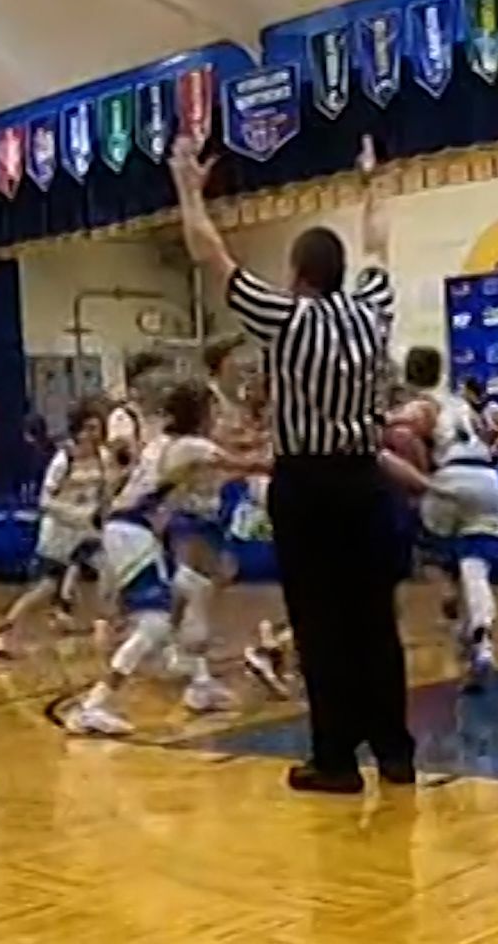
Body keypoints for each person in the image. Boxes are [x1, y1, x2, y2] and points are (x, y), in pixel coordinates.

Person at [170, 132, 413, 793]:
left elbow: (208, 252)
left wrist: (189, 187)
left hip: (306, 483)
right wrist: (370, 183)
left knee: (318, 622)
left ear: (298, 275)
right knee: (374, 620)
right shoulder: (373, 310)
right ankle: (395, 752)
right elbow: (381, 244)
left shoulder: (284, 318)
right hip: (366, 482)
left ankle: (335, 758)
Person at [66, 382, 259, 735]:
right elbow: (249, 464)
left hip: (132, 529)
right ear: (200, 414)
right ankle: (94, 705)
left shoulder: (163, 442)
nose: (218, 416)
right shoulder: (190, 446)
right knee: (156, 623)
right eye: (213, 410)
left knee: (183, 593)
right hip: (133, 530)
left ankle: (196, 676)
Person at [393, 345, 498, 691]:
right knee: (477, 564)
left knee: (429, 551)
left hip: (448, 479)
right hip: (487, 480)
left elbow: (399, 429)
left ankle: (448, 594)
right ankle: (481, 637)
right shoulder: (466, 404)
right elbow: (496, 432)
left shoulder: (422, 404)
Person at [0, 399, 110, 659]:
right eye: (88, 428)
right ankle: (4, 629)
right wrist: (72, 512)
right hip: (59, 530)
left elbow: (104, 494)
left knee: (108, 571)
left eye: (97, 428)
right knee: (44, 588)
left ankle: (102, 623)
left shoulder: (103, 457)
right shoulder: (63, 460)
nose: (94, 434)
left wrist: (102, 516)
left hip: (86, 531)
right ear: (77, 430)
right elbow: (45, 501)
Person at [460, 376, 498, 465]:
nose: (461, 393)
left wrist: (496, 444)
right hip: (480, 455)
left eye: (464, 390)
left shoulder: (492, 408)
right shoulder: (467, 410)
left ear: (471, 391)